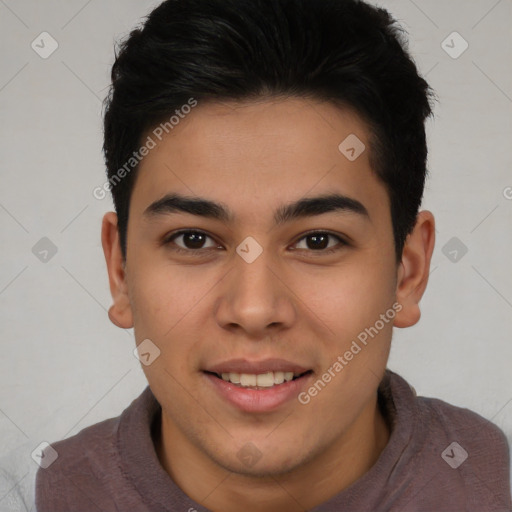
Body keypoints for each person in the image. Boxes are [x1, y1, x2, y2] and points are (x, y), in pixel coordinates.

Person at [19, 0, 512, 510]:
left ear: (408, 271)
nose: (254, 310)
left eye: (317, 241)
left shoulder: (496, 483)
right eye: (194, 240)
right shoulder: (39, 491)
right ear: (120, 269)